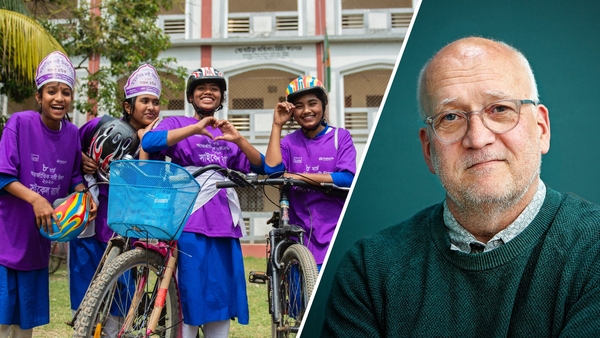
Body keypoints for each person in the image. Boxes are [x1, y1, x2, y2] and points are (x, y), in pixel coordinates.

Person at [322, 36, 600, 336]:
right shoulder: (369, 271)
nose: (478, 138)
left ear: (541, 129)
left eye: (500, 109)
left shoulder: (592, 250)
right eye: (450, 117)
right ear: (428, 150)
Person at [141, 67, 262, 338]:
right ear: (191, 95)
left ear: (221, 97)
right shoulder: (176, 123)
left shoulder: (227, 132)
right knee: (189, 293)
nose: (208, 92)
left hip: (224, 226)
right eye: (201, 87)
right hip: (189, 220)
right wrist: (194, 128)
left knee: (221, 296)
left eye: (214, 88)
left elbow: (263, 165)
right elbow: (149, 142)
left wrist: (239, 139)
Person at [0, 51, 97, 337]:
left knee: (24, 327)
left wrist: (85, 196)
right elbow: (3, 174)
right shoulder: (19, 123)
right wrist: (36, 198)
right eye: (51, 91)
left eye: (65, 92)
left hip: (38, 244)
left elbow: (74, 178)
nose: (59, 98)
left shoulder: (72, 134)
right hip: (7, 240)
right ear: (39, 96)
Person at [68, 64, 161, 334]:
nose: (151, 107)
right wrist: (80, 159)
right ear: (128, 106)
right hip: (91, 223)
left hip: (125, 228)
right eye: (144, 101)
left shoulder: (156, 143)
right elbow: (71, 143)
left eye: (155, 102)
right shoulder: (102, 124)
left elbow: (148, 182)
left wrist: (145, 144)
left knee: (121, 292)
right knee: (86, 290)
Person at [261, 76, 356, 269]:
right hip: (299, 233)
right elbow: (272, 171)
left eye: (312, 103)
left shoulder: (340, 137)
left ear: (323, 105)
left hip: (333, 231)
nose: (306, 111)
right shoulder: (288, 142)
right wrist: (277, 125)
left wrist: (297, 177)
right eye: (299, 106)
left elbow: (347, 178)